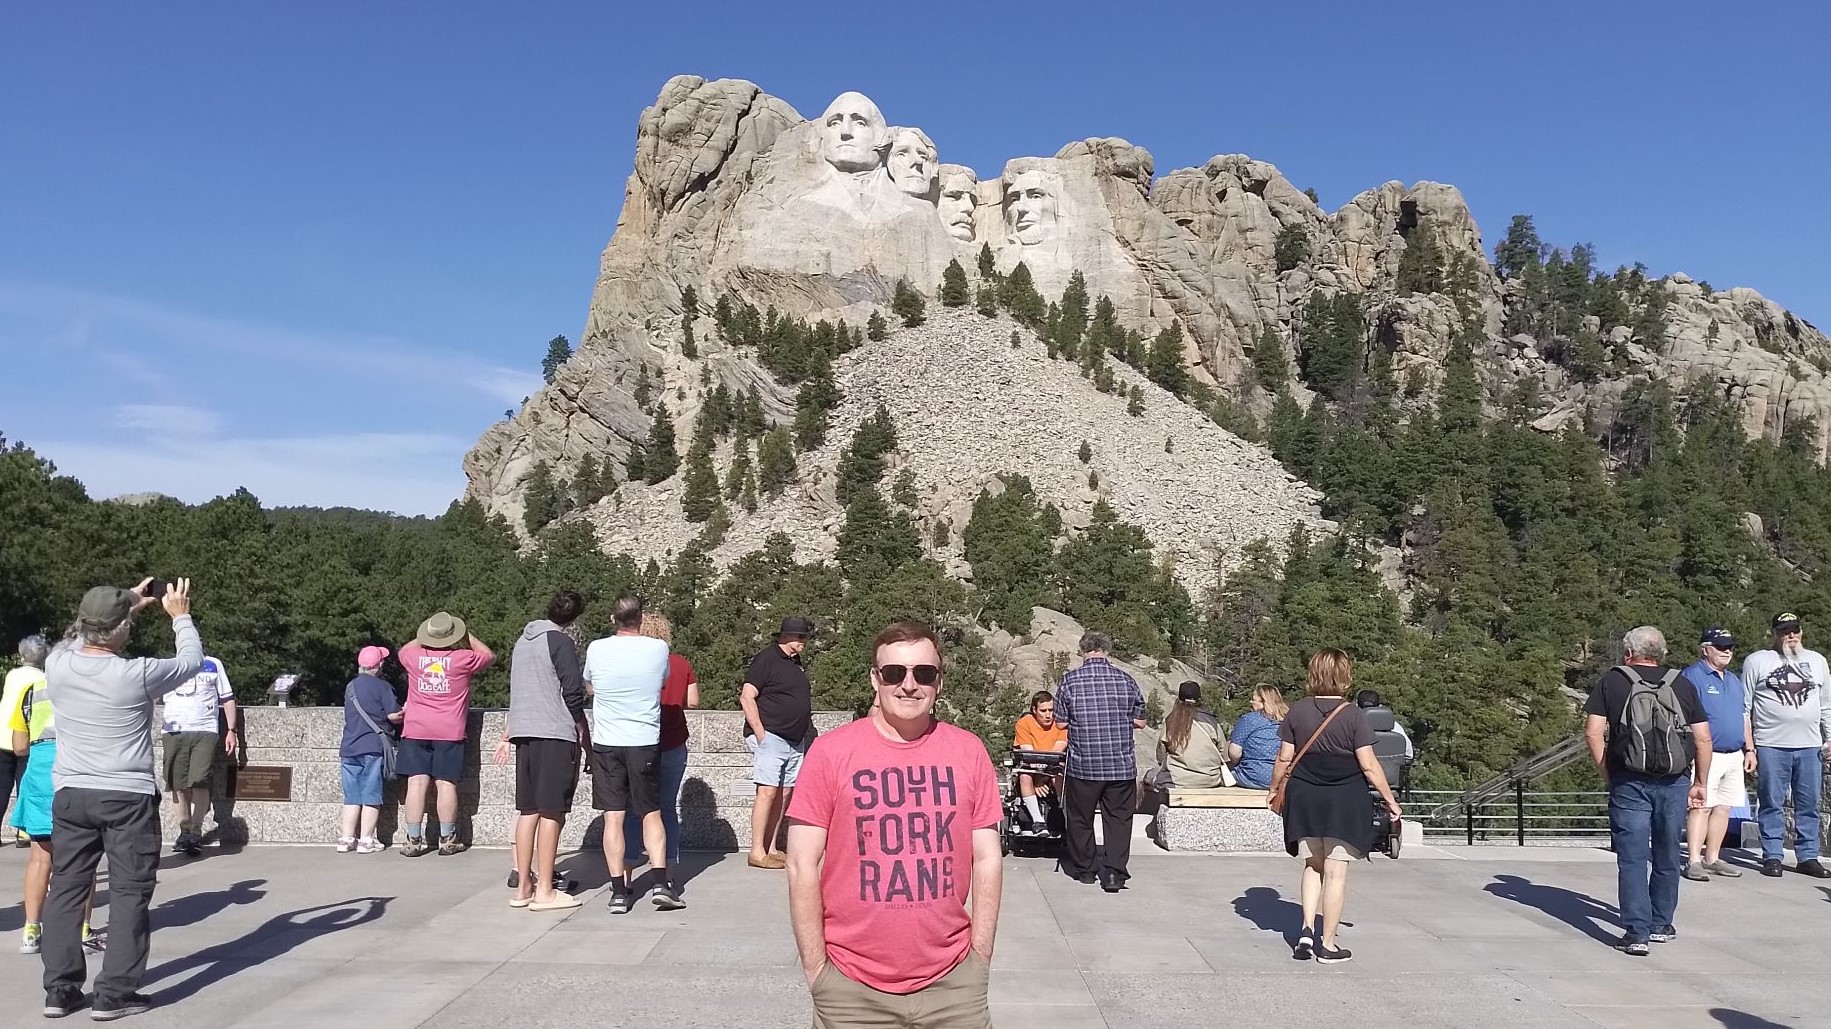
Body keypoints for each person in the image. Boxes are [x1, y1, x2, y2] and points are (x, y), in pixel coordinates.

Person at [786, 621, 1002, 1029]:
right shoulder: (831, 753)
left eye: (923, 673)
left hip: (954, 985)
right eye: (893, 673)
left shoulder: (968, 751)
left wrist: (980, 957)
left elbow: (987, 857)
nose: (908, 685)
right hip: (850, 989)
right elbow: (800, 864)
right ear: (875, 678)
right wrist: (818, 973)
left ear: (939, 681)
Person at [42, 578, 204, 1020]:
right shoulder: (137, 673)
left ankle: (59, 990)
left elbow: (75, 635)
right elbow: (193, 660)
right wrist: (180, 614)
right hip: (125, 797)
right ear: (119, 631)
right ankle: (114, 994)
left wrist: (128, 602)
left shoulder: (57, 664)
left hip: (72, 793)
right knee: (131, 892)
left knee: (67, 891)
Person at [1585, 626, 1713, 956]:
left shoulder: (1612, 680)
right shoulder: (1681, 683)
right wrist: (1700, 782)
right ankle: (1661, 924)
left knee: (1632, 857)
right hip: (1674, 781)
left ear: (1629, 653)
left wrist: (1607, 772)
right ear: (1662, 653)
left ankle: (1636, 932)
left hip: (1628, 780)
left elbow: (1593, 734)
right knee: (1668, 852)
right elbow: (1702, 739)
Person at [1273, 650, 1402, 965]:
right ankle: (1327, 944)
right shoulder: (1354, 715)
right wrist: (1390, 800)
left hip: (1305, 797)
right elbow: (1369, 766)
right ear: (1345, 675)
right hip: (1343, 799)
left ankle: (1305, 929)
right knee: (1336, 873)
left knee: (1312, 866)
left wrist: (1274, 789)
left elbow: (1284, 757)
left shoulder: (1298, 711)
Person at [583, 594, 682, 913]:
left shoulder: (597, 649)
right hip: (643, 740)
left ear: (614, 619)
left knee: (614, 817)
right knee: (651, 812)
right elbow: (664, 680)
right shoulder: (658, 649)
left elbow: (589, 687)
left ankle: (618, 892)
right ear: (641, 619)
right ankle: (659, 883)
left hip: (608, 741)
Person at [9, 636, 104, 958]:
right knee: (82, 859)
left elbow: (19, 746)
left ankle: (31, 930)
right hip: (74, 772)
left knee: (40, 857)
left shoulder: (31, 692)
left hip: (37, 774)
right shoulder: (86, 690)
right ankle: (81, 928)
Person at [499, 591, 589, 911]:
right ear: (574, 618)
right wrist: (579, 724)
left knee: (528, 810)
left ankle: (524, 885)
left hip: (524, 731)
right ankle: (546, 890)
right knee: (552, 811)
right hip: (553, 732)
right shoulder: (560, 642)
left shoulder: (524, 641)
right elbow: (572, 690)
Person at [1739, 611, 1831, 878]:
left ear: (1801, 632)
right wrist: (1750, 747)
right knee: (1771, 802)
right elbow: (1744, 708)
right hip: (1770, 743)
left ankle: (1808, 856)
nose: (1790, 635)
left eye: (1795, 630)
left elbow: (1826, 704)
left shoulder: (1817, 661)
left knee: (1809, 803)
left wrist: (1829, 738)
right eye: (1784, 630)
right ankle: (1772, 855)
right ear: (1774, 633)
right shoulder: (1757, 661)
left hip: (1810, 744)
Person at [1054, 631, 1145, 892]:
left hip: (1084, 764)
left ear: (1083, 651)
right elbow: (1140, 720)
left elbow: (1060, 722)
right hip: (1120, 764)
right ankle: (1115, 873)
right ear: (1107, 650)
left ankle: (1085, 870)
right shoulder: (1126, 680)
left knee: (1081, 818)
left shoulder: (1070, 681)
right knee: (1118, 819)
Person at [397, 611, 493, 857]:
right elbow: (489, 655)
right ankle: (447, 838)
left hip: (416, 728)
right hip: (449, 730)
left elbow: (404, 649)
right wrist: (463, 634)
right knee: (446, 783)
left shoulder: (413, 656)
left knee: (416, 783)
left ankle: (413, 839)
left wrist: (427, 633)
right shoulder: (463, 659)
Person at [624, 612, 698, 870]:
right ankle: (668, 867)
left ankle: (629, 865)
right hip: (674, 739)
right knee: (667, 808)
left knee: (635, 809)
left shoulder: (635, 662)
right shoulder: (680, 663)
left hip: (640, 741)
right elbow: (693, 701)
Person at [741, 616, 815, 870]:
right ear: (786, 637)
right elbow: (747, 696)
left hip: (794, 739)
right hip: (772, 735)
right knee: (767, 791)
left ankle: (771, 847)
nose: (804, 641)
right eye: (801, 637)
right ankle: (756, 851)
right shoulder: (766, 659)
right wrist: (760, 733)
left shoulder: (796, 663)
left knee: (784, 794)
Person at [1681, 626, 1749, 881]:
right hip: (1705, 753)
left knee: (1724, 807)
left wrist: (1749, 749)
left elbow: (1744, 717)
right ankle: (1694, 860)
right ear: (1705, 649)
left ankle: (1713, 857)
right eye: (1720, 646)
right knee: (1701, 806)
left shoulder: (1733, 680)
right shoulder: (1692, 677)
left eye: (1730, 647)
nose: (1727, 651)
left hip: (1734, 753)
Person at [160, 655, 238, 855]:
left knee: (200, 780)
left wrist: (231, 730)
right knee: (177, 785)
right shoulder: (168, 664)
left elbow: (227, 698)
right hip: (173, 730)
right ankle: (184, 831)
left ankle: (195, 830)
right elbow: (150, 697)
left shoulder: (213, 663)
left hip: (205, 729)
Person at [338, 646, 402, 854]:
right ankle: (366, 840)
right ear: (379, 665)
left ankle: (346, 839)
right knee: (371, 795)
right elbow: (393, 716)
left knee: (351, 796)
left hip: (349, 747)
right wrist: (405, 711)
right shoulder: (383, 687)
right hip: (372, 748)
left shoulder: (350, 687)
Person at [1, 639, 41, 844]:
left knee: (1, 787)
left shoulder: (12, 675)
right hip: (28, 738)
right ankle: (24, 831)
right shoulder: (43, 679)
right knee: (26, 785)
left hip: (4, 735)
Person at [1154, 682, 1228, 789]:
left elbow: (1161, 752)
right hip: (1210, 779)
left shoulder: (1171, 720)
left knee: (1149, 777)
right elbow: (1223, 752)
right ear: (1200, 700)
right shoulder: (1212, 721)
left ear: (1179, 700)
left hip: (1177, 779)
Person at [1012, 691, 1067, 833]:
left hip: (1054, 767)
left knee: (1059, 775)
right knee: (1024, 775)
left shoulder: (1061, 724)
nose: (1048, 715)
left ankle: (1065, 817)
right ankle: (1038, 821)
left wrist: (1042, 778)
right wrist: (1037, 779)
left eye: (1051, 710)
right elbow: (1028, 753)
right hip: (1032, 767)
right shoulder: (1024, 723)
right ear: (1034, 710)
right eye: (1043, 711)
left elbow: (1057, 751)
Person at [1228, 685, 1286, 790]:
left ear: (1263, 702)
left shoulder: (1249, 719)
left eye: (1253, 699)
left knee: (1222, 772)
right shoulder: (1288, 720)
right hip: (1281, 779)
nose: (1251, 702)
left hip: (1252, 777)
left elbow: (1234, 753)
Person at [1354, 689, 1413, 760]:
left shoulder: (1348, 727)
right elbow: (1409, 754)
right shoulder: (1394, 727)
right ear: (1380, 706)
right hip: (1391, 770)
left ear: (1356, 705)